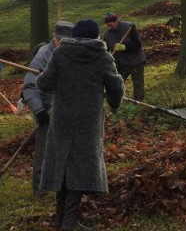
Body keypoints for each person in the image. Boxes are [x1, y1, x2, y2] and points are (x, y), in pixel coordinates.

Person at [36, 19, 124, 231]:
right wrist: (113, 99)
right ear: (96, 36)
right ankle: (68, 222)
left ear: (74, 35)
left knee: (62, 168)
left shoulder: (60, 54)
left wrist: (43, 76)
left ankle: (63, 221)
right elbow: (116, 88)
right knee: (79, 169)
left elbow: (44, 84)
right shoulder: (102, 57)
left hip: (62, 120)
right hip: (88, 122)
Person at [22, 21, 74, 198]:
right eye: (61, 41)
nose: (63, 44)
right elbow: (29, 87)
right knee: (44, 152)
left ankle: (66, 187)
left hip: (66, 107)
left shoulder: (71, 52)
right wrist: (38, 111)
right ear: (55, 38)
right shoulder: (43, 56)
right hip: (47, 108)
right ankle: (40, 190)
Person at [103, 12, 145, 101]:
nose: (110, 27)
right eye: (108, 26)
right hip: (121, 64)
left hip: (136, 62)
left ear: (116, 21)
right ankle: (116, 101)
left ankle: (139, 103)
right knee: (117, 84)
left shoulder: (129, 27)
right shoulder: (107, 34)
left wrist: (125, 47)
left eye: (111, 25)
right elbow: (105, 49)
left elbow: (138, 44)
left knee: (138, 85)